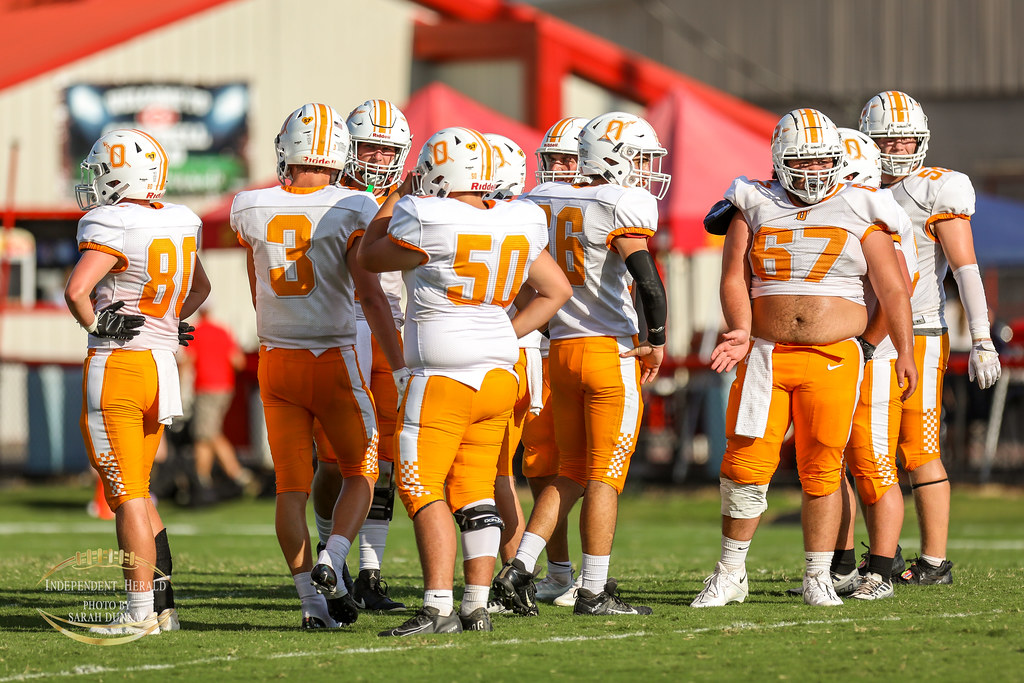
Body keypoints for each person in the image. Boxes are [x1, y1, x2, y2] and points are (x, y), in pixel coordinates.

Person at [690, 108, 917, 608]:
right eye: (802, 161)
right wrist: (741, 328)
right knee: (744, 464)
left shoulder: (863, 205)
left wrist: (904, 350)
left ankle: (818, 574)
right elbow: (734, 278)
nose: (813, 171)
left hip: (833, 357)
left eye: (821, 161)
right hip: (766, 355)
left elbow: (894, 289)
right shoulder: (752, 202)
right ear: (778, 160)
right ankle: (730, 572)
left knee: (823, 466)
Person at [359, 127, 572, 636]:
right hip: (498, 373)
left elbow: (368, 257)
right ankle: (475, 605)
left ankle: (437, 607)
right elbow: (556, 290)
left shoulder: (426, 217)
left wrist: (396, 196)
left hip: (442, 377)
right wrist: (500, 332)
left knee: (419, 486)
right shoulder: (516, 219)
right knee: (476, 491)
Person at [231, 103, 404, 629]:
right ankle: (335, 556)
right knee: (363, 470)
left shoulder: (251, 204)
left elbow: (257, 288)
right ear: (342, 153)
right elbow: (370, 295)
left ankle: (313, 605)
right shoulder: (354, 205)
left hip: (276, 359)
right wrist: (400, 363)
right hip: (333, 356)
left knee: (290, 489)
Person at [492, 111, 671, 617]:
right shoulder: (619, 204)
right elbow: (649, 282)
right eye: (639, 158)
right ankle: (593, 591)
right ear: (615, 159)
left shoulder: (537, 201)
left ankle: (520, 567)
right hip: (610, 353)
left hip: (561, 353)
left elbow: (524, 281)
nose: (646, 169)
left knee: (569, 471)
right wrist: (657, 338)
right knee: (604, 478)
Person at [67, 128, 211, 635]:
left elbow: (77, 290)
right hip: (160, 367)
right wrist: (168, 321)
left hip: (118, 367)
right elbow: (200, 288)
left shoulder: (111, 223)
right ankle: (162, 607)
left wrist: (95, 323)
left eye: (100, 172)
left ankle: (138, 613)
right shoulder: (179, 219)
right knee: (141, 492)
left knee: (127, 495)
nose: (93, 182)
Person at [859, 90, 1001, 585]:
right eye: (887, 141)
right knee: (866, 450)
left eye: (906, 141)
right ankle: (883, 555)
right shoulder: (854, 183)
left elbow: (965, 269)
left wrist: (981, 338)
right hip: (861, 333)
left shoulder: (936, 188)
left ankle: (935, 561)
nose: (898, 150)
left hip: (917, 331)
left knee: (917, 449)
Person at [785, 127, 918, 601]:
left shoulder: (872, 213)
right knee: (831, 462)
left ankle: (881, 570)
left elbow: (897, 291)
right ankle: (839, 567)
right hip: (843, 355)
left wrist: (867, 343)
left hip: (873, 357)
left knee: (873, 465)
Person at [309, 99, 413, 612]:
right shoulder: (325, 196)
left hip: (390, 328)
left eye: (388, 150)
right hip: (339, 329)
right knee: (334, 461)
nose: (377, 158)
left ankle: (370, 572)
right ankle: (333, 554)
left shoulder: (410, 200)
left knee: (385, 458)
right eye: (369, 147)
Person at [525, 116, 588, 607]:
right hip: (541, 348)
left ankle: (594, 576)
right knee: (540, 464)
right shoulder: (525, 207)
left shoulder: (613, 206)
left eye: (569, 159)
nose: (560, 168)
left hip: (594, 347)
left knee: (593, 467)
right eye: (554, 159)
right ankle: (559, 571)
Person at [182, 303, 253, 501]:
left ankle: (235, 475)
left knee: (205, 433)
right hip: (225, 388)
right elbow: (238, 362)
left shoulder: (195, 331)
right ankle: (205, 479)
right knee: (206, 433)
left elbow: (188, 360)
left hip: (206, 387)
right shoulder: (222, 330)